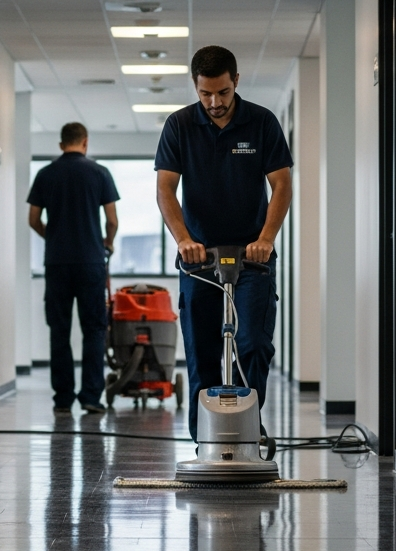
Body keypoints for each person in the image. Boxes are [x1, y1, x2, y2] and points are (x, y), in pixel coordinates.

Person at [155, 46, 293, 440]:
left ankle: (245, 428)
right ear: (196, 87)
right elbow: (166, 189)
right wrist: (184, 240)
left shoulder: (262, 123)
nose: (214, 103)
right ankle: (206, 441)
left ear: (236, 81)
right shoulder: (179, 125)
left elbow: (281, 184)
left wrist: (266, 239)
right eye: (205, 94)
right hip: (198, 260)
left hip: (253, 259)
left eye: (222, 93)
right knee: (201, 353)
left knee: (252, 344)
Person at [28, 122, 120, 416]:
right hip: (91, 262)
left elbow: (33, 219)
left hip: (57, 263)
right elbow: (113, 220)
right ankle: (91, 397)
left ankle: (63, 399)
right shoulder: (99, 172)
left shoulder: (45, 174)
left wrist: (52, 237)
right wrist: (107, 242)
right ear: (85, 143)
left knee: (59, 330)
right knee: (93, 330)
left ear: (60, 144)